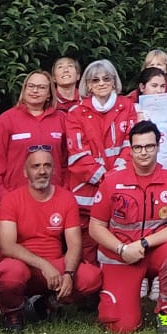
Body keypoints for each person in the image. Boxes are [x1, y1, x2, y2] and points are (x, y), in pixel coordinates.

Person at [92, 120, 167, 334]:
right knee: (122, 327)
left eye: (149, 146)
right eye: (138, 147)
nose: (143, 152)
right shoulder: (112, 180)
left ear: (158, 146)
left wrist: (145, 243)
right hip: (121, 254)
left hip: (155, 250)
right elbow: (96, 226)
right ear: (130, 149)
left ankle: (166, 313)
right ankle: (126, 293)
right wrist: (122, 249)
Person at [0, 146, 100, 333]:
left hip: (55, 268)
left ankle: (47, 304)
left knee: (92, 277)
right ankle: (11, 312)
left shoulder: (66, 198)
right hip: (22, 265)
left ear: (54, 170)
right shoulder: (11, 199)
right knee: (10, 272)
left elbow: (74, 244)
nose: (42, 171)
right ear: (25, 172)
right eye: (35, 166)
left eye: (47, 166)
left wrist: (69, 274)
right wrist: (43, 265)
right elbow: (7, 246)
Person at [64, 60, 136, 219]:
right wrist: (107, 179)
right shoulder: (76, 113)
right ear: (88, 85)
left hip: (123, 188)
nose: (101, 83)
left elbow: (131, 145)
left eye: (106, 78)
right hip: (87, 193)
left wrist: (116, 177)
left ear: (114, 82)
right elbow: (78, 155)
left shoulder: (128, 106)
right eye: (95, 80)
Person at [0, 71, 68, 205]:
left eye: (41, 87)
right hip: (15, 197)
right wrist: (0, 195)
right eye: (31, 86)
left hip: (53, 196)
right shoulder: (7, 119)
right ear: (24, 89)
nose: (35, 91)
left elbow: (67, 160)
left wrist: (64, 190)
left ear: (49, 93)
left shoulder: (61, 119)